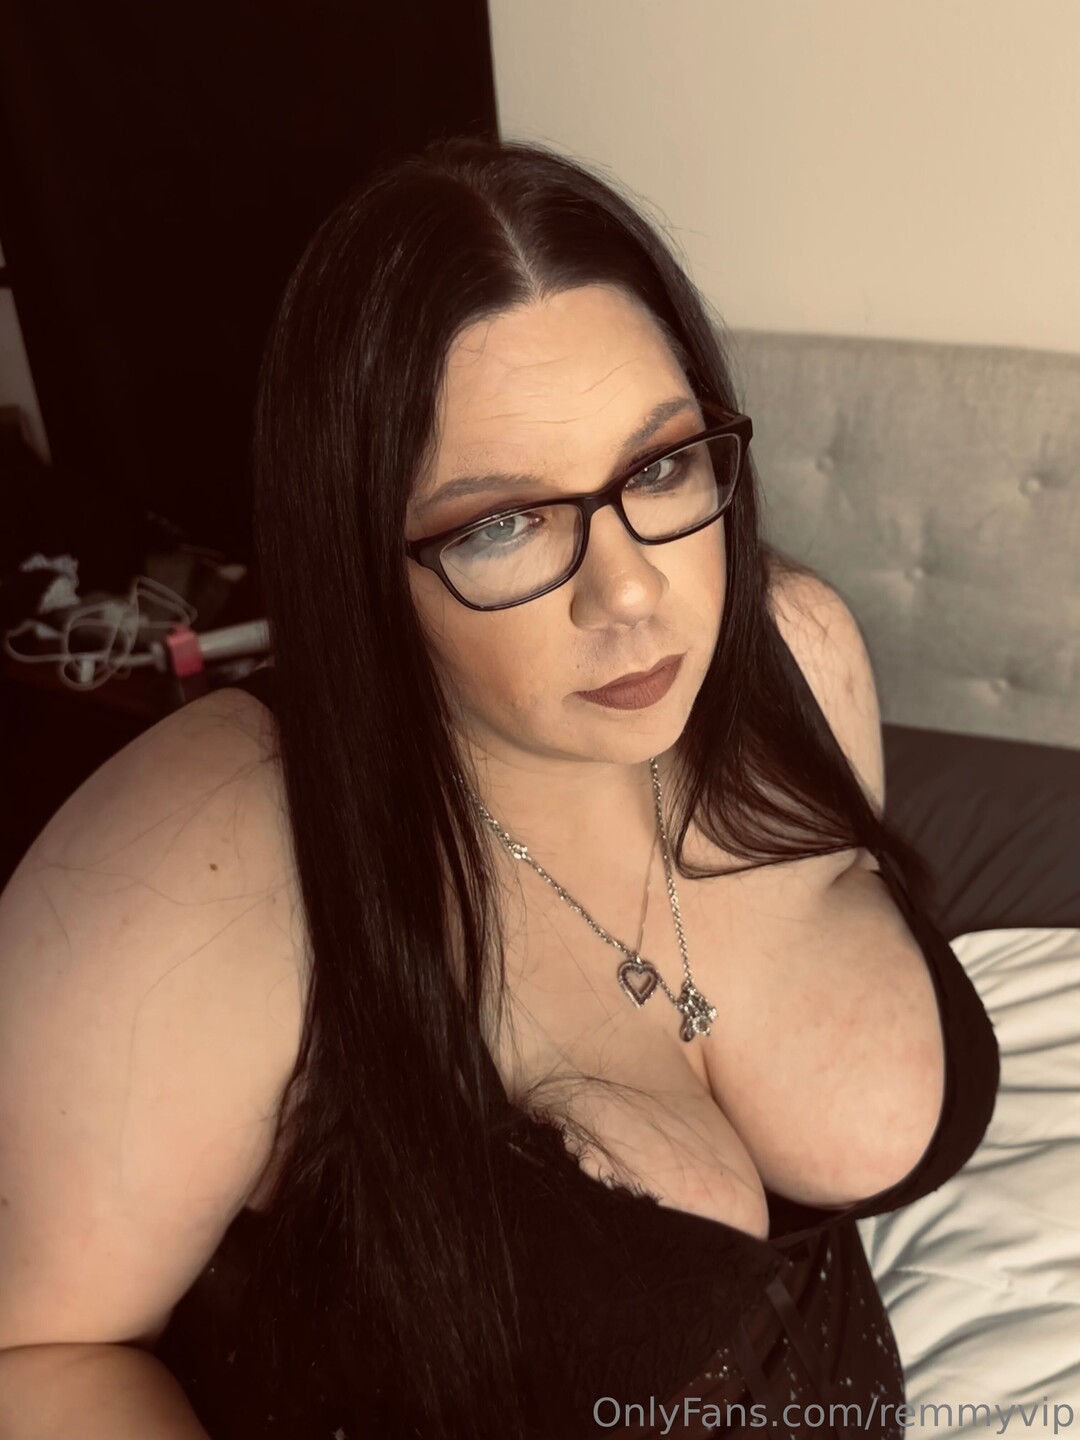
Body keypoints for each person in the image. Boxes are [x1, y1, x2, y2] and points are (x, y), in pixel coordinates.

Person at [0, 136, 999, 1440]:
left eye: (660, 466)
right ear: (359, 550)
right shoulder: (194, 854)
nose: (630, 593)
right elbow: (36, 1351)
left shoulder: (795, 654)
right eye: (501, 522)